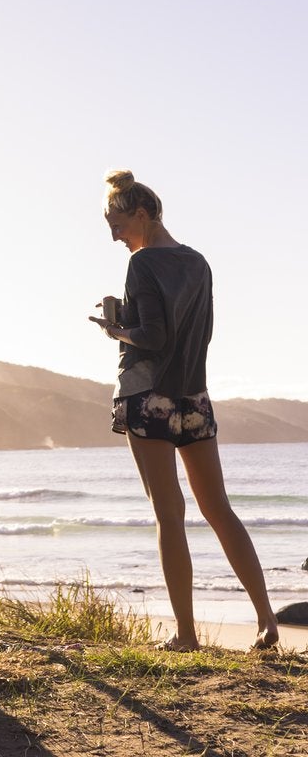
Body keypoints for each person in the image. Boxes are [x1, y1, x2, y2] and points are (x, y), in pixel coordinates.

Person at [90, 169, 279, 652]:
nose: (111, 232)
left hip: (148, 394)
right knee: (220, 510)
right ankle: (266, 620)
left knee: (168, 514)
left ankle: (187, 635)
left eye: (114, 220)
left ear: (141, 213)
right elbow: (201, 332)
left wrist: (116, 329)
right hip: (194, 395)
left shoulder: (141, 264)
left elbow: (152, 337)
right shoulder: (198, 262)